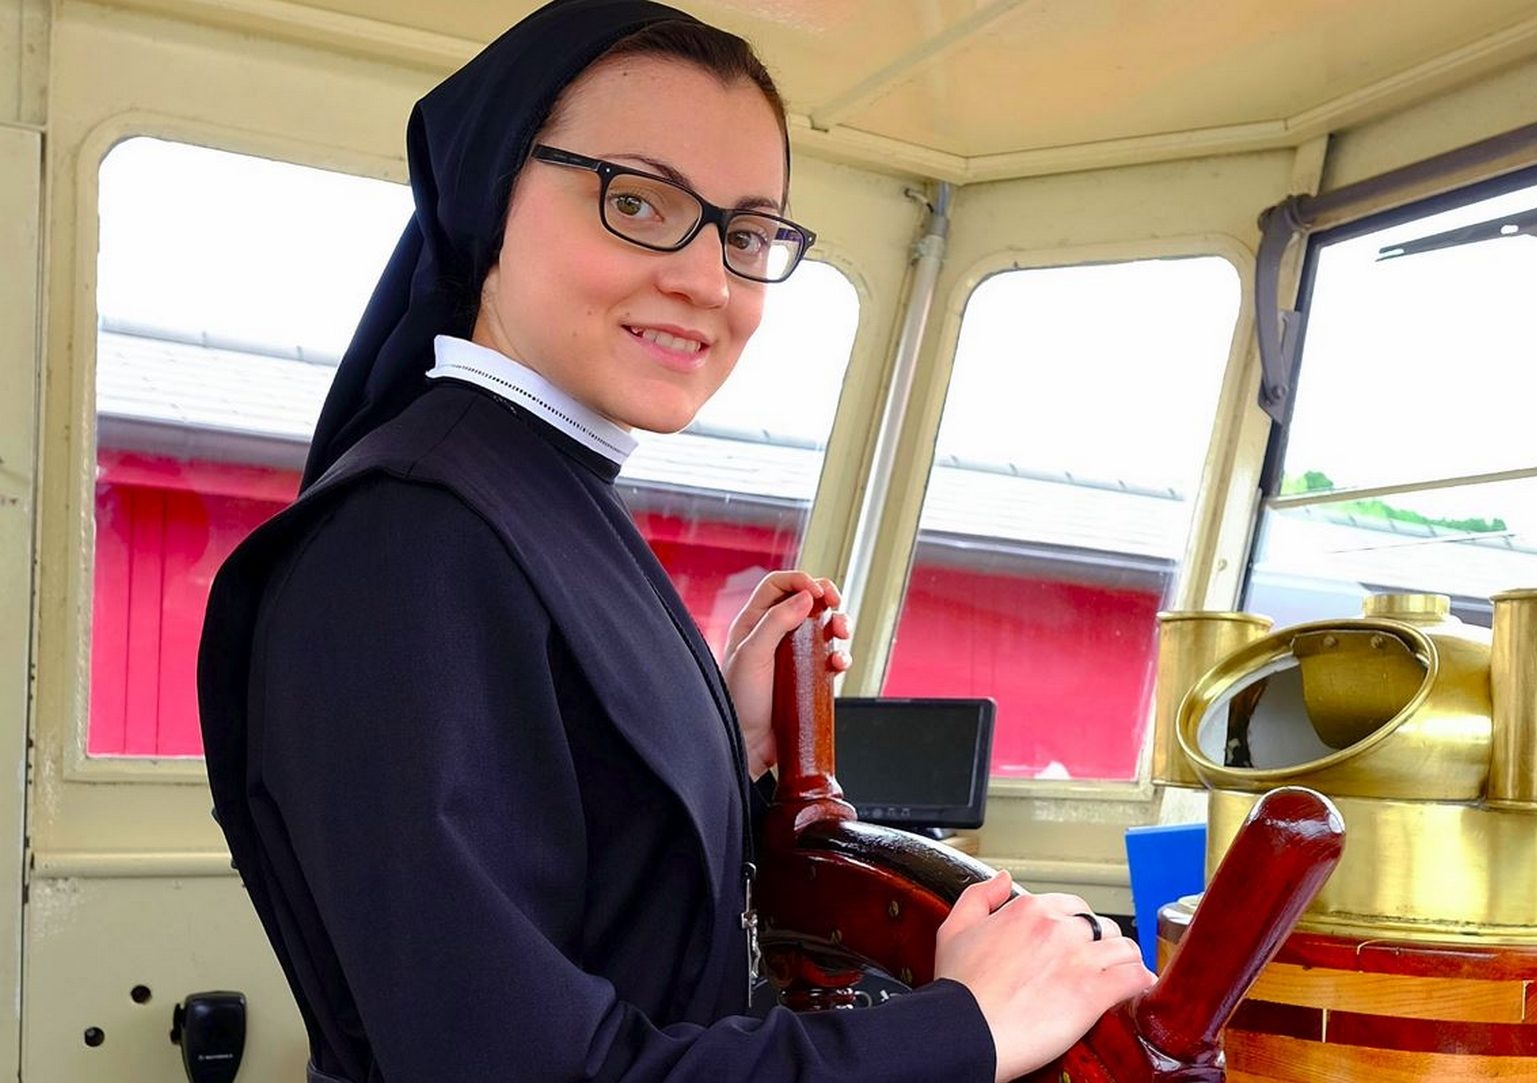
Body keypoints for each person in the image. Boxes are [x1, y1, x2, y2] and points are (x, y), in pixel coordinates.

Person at [195, 3, 1155, 1081]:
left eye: (746, 233)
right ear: (486, 196)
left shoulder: (533, 487)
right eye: (637, 201)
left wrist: (713, 741)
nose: (710, 282)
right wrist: (965, 1027)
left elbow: (603, 904)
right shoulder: (401, 549)